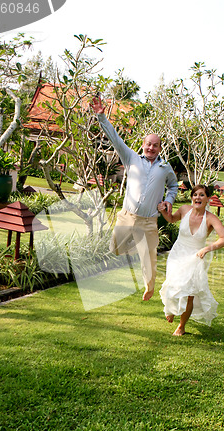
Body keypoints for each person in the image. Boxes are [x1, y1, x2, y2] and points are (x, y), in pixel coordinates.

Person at [91, 96, 178, 301]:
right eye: (149, 144)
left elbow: (173, 186)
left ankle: (149, 287)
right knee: (115, 248)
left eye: (155, 145)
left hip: (149, 221)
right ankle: (135, 246)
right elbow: (115, 139)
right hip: (127, 217)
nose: (151, 148)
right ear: (143, 144)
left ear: (159, 148)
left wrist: (169, 201)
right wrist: (102, 116)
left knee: (150, 258)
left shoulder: (165, 167)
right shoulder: (131, 157)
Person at [158, 184, 224, 336]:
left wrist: (206, 249)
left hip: (195, 257)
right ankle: (170, 309)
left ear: (207, 199)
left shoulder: (211, 218)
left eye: (202, 195)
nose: (198, 197)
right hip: (177, 253)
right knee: (173, 283)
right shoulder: (184, 210)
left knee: (189, 292)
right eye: (195, 194)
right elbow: (171, 219)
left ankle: (181, 326)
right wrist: (163, 211)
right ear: (192, 197)